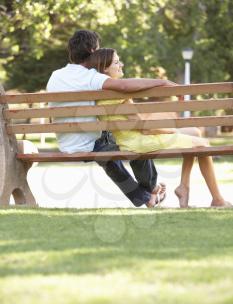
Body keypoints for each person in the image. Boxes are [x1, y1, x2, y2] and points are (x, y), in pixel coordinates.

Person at [86, 48, 232, 208]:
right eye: (116, 62)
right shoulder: (117, 95)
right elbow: (145, 129)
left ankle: (183, 187)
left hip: (132, 139)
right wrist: (171, 131)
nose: (121, 64)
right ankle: (217, 199)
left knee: (194, 133)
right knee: (202, 145)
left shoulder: (104, 93)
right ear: (105, 68)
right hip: (137, 142)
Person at [47, 29, 176, 207]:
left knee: (108, 153)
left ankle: (144, 196)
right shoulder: (91, 76)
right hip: (91, 143)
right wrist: (161, 82)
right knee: (136, 141)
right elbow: (123, 85)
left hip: (67, 143)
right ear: (93, 51)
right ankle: (151, 189)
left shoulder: (56, 75)